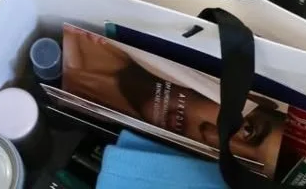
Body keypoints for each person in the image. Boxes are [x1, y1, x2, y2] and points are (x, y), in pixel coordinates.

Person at [63, 26, 285, 174]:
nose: (207, 136)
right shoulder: (82, 44)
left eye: (234, 163)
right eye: (247, 130)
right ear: (252, 94)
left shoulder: (86, 98)